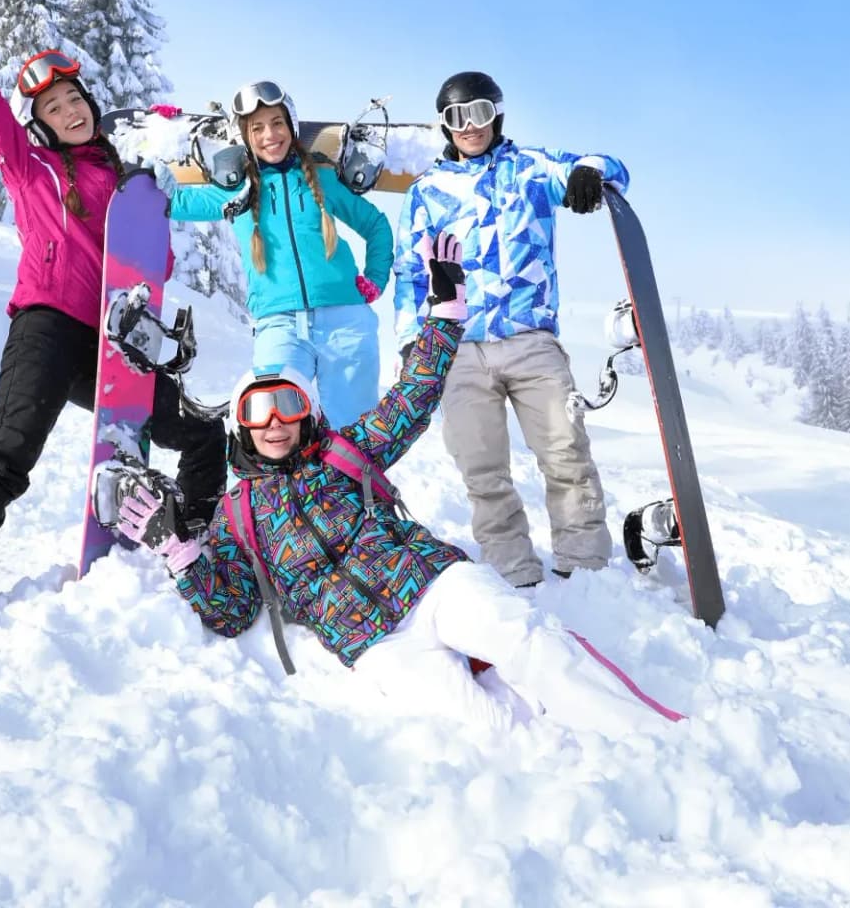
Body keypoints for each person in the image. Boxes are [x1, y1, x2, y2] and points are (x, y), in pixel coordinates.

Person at [111, 233, 680, 734]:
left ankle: (647, 734)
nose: (275, 422)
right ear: (242, 428)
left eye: (287, 405)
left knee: (527, 642)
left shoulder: (342, 453)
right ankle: (577, 768)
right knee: (486, 728)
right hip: (376, 645)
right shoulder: (237, 516)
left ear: (306, 411)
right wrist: (183, 557)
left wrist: (444, 320)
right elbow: (230, 611)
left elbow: (411, 399)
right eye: (258, 413)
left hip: (431, 584)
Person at [0, 0, 227, 638]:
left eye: (75, 99)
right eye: (53, 107)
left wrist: (181, 181)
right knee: (12, 445)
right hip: (48, 326)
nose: (70, 110)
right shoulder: (30, 168)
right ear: (40, 124)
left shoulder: (133, 182)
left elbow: (169, 241)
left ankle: (195, 535)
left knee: (200, 432)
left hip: (115, 342)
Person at [394, 72, 630, 589]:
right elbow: (410, 272)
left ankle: (586, 568)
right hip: (458, 348)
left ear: (496, 113)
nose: (469, 126)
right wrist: (413, 340)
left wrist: (590, 172)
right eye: (457, 117)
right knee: (482, 471)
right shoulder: (427, 192)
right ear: (444, 125)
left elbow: (612, 168)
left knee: (565, 453)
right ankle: (513, 572)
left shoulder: (531, 170)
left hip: (530, 339)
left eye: (479, 112)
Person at [164, 81, 394, 424]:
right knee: (276, 424)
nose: (269, 134)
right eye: (257, 128)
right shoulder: (236, 190)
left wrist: (375, 278)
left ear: (292, 126)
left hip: (345, 320)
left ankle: (358, 480)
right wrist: (159, 145)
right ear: (245, 136)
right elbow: (175, 201)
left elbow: (376, 225)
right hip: (279, 324)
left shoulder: (321, 179)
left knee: (356, 432)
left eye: (277, 123)